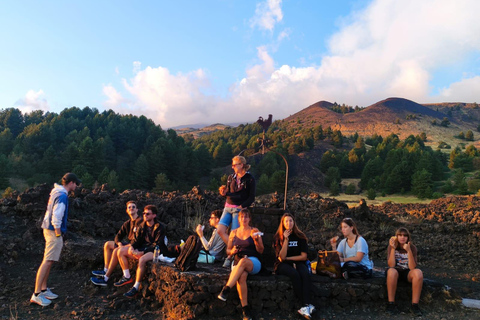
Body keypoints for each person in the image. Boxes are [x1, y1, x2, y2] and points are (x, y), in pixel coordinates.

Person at [30, 173, 81, 307]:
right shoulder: (62, 196)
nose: (76, 186)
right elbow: (56, 217)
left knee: (50, 259)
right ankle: (36, 294)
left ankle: (43, 289)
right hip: (53, 232)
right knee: (47, 261)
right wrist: (58, 235)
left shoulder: (56, 192)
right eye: (76, 183)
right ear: (71, 183)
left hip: (48, 229)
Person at [217, 209, 264, 320]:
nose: (244, 219)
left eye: (246, 217)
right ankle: (245, 310)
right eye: (242, 217)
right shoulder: (233, 232)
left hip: (253, 261)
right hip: (238, 261)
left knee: (243, 262)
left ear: (249, 219)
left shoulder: (254, 230)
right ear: (238, 219)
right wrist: (232, 251)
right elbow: (228, 251)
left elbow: (261, 250)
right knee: (241, 277)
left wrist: (256, 240)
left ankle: (227, 289)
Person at [116, 205, 168, 298]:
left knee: (142, 260)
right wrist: (132, 247)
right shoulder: (142, 225)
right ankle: (127, 276)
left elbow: (157, 244)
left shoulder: (160, 227)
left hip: (155, 250)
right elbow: (137, 240)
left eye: (148, 214)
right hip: (143, 248)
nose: (145, 215)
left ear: (154, 215)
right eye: (144, 213)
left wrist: (142, 252)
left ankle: (135, 287)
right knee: (120, 251)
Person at [90, 201, 143, 286]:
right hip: (130, 244)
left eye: (133, 207)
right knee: (108, 244)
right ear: (127, 211)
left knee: (117, 251)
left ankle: (106, 278)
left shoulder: (140, 222)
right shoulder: (128, 223)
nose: (131, 208)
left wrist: (126, 246)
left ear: (137, 210)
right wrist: (119, 243)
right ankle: (105, 269)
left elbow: (139, 239)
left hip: (137, 245)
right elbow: (118, 236)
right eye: (129, 207)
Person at [273, 213, 315, 319]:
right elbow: (281, 258)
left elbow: (304, 256)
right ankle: (306, 304)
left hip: (297, 262)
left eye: (291, 220)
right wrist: (286, 240)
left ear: (294, 222)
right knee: (294, 274)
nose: (289, 223)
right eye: (286, 221)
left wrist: (289, 259)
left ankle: (304, 307)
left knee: (305, 274)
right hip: (282, 264)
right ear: (283, 223)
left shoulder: (300, 236)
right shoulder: (278, 237)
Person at [218, 155, 256, 267]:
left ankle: (230, 257)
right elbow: (229, 192)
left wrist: (242, 206)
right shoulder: (231, 177)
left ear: (241, 165)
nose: (233, 166)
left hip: (238, 209)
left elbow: (251, 197)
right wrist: (223, 192)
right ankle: (234, 250)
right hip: (227, 206)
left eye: (235, 164)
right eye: (232, 164)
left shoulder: (250, 179)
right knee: (220, 230)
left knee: (234, 235)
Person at [385, 227, 423, 316]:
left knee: (418, 273)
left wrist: (408, 250)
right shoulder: (391, 247)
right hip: (395, 271)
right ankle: (391, 303)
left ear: (408, 237)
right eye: (400, 235)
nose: (402, 237)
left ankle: (415, 305)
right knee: (391, 271)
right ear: (396, 236)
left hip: (407, 272)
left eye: (405, 236)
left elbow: (412, 267)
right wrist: (393, 248)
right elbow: (391, 265)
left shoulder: (412, 248)